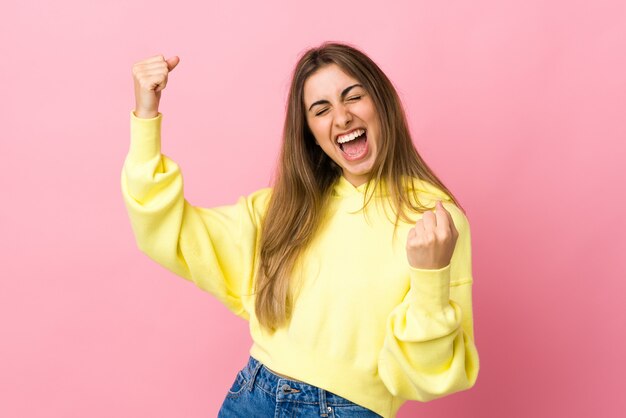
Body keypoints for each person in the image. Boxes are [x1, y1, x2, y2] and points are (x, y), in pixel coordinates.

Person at [121, 42, 479, 418]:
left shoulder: (435, 220)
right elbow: (171, 231)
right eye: (321, 110)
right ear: (310, 132)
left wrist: (430, 281)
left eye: (353, 96)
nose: (340, 118)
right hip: (252, 397)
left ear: (382, 103)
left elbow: (426, 376)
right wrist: (147, 116)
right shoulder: (286, 208)